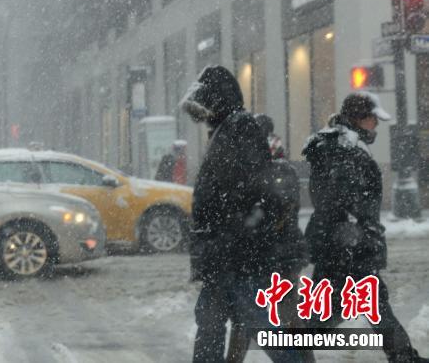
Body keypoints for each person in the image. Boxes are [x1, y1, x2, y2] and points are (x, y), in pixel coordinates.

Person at [180, 65, 302, 363]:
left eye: (207, 105)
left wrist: (227, 237)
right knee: (213, 323)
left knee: (258, 325)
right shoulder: (228, 130)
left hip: (236, 255)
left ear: (218, 101)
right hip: (226, 253)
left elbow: (246, 192)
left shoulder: (239, 129)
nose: (204, 114)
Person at [303, 92, 427, 363]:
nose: (377, 126)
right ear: (360, 118)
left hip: (339, 241)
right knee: (371, 302)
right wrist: (354, 232)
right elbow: (342, 199)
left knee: (326, 312)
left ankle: (290, 347)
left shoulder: (341, 146)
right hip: (348, 243)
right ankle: (403, 357)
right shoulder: (345, 150)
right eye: (374, 119)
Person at [225, 114, 310, 363]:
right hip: (278, 254)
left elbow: (277, 211)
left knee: (256, 318)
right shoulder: (270, 163)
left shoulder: (266, 164)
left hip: (274, 256)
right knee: (274, 317)